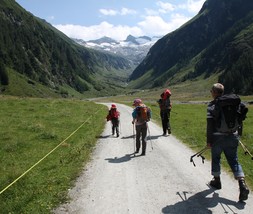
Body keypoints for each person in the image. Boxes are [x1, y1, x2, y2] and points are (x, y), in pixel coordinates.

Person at [206, 83, 249, 201]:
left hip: (217, 138)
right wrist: (238, 135)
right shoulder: (235, 104)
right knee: (234, 160)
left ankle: (217, 180)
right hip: (233, 136)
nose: (211, 92)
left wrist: (209, 141)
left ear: (215, 92)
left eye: (211, 91)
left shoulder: (212, 105)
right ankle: (242, 184)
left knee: (216, 157)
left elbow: (210, 125)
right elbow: (240, 119)